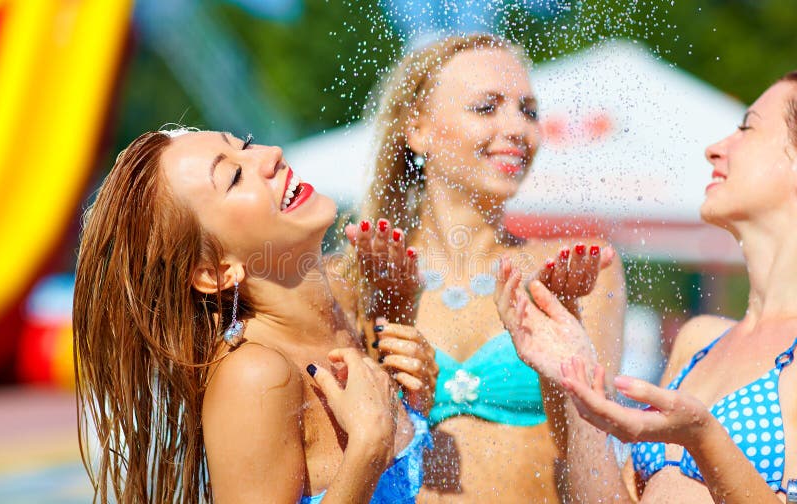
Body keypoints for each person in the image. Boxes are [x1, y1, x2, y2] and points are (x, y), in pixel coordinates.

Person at [73, 128, 438, 503]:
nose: (271, 154)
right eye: (233, 177)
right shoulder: (253, 378)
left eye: (245, 144)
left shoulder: (348, 297)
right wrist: (366, 449)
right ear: (215, 272)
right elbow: (373, 445)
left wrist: (399, 313)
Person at [495, 71, 797, 503]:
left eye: (747, 128)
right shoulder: (699, 342)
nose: (714, 148)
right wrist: (572, 373)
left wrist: (703, 437)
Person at [361, 33, 626, 502]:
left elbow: (591, 455)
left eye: (528, 110)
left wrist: (563, 320)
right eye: (487, 108)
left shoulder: (579, 269)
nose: (517, 129)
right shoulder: (364, 274)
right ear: (417, 129)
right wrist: (387, 307)